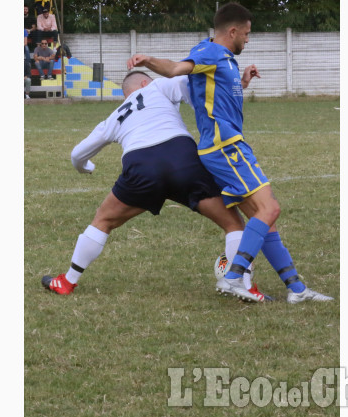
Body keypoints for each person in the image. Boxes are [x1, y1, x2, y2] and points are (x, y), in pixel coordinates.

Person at [127, 2, 333, 304]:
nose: (248, 40)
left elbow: (217, 95)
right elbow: (175, 70)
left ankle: (296, 289)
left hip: (225, 146)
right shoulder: (209, 53)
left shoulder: (221, 58)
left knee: (266, 220)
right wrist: (147, 60)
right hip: (227, 148)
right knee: (269, 210)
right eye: (247, 34)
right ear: (232, 31)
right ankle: (234, 276)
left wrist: (244, 80)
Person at [42, 72, 265, 301]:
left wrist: (86, 167)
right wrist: (236, 83)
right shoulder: (156, 87)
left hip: (142, 167)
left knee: (103, 221)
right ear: (144, 83)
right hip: (182, 158)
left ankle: (67, 281)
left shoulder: (116, 116)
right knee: (233, 223)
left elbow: (77, 154)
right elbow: (193, 83)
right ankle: (243, 285)